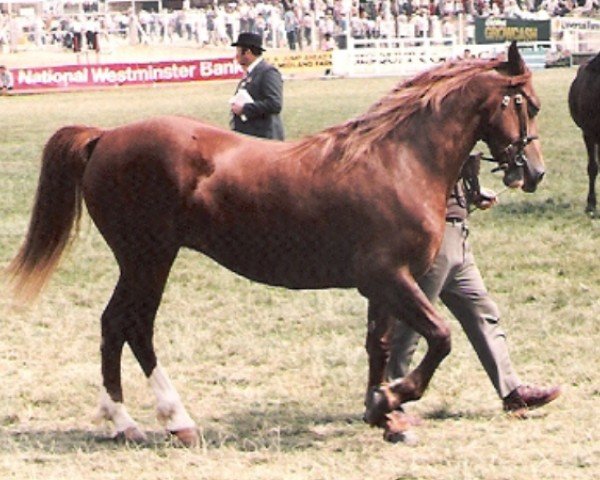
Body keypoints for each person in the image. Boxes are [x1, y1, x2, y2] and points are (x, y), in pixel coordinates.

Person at [387, 153, 561, 423]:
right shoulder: (432, 135)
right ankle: (390, 397)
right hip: (436, 241)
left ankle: (512, 391)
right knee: (412, 323)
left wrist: (472, 196)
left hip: (459, 236)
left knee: (483, 312)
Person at [230, 32, 285, 140]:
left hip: (264, 138)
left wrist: (244, 108)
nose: (236, 55)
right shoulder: (250, 73)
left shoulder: (268, 72)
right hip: (251, 136)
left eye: (238, 51)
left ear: (248, 52)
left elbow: (275, 104)